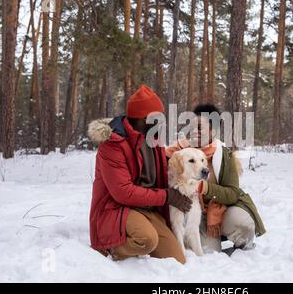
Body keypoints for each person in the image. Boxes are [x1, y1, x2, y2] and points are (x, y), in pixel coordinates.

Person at [88, 84, 191, 264]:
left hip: (147, 208)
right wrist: (167, 197)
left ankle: (137, 236)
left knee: (177, 259)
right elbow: (123, 193)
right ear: (143, 118)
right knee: (147, 240)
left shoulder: (153, 138)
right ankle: (109, 248)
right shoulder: (113, 144)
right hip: (116, 209)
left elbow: (162, 172)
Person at [166, 104, 266, 255]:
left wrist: (205, 188)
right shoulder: (178, 153)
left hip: (219, 210)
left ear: (212, 131)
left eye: (199, 128)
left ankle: (241, 243)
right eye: (192, 127)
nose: (194, 131)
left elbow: (233, 193)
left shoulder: (225, 155)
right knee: (208, 251)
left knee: (243, 224)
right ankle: (207, 238)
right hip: (190, 213)